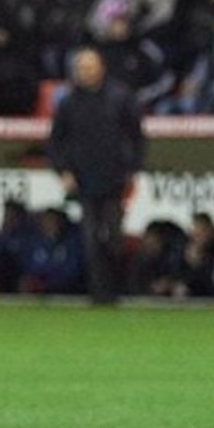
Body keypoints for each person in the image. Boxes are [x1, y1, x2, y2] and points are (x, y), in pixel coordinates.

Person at [48, 48, 146, 305]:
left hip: (115, 179)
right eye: (81, 68)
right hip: (84, 180)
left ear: (101, 68)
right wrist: (63, 171)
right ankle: (98, 293)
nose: (86, 73)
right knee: (90, 240)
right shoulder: (68, 103)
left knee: (114, 239)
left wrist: (133, 169)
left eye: (90, 67)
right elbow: (56, 142)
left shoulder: (121, 97)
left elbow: (137, 136)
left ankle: (118, 289)